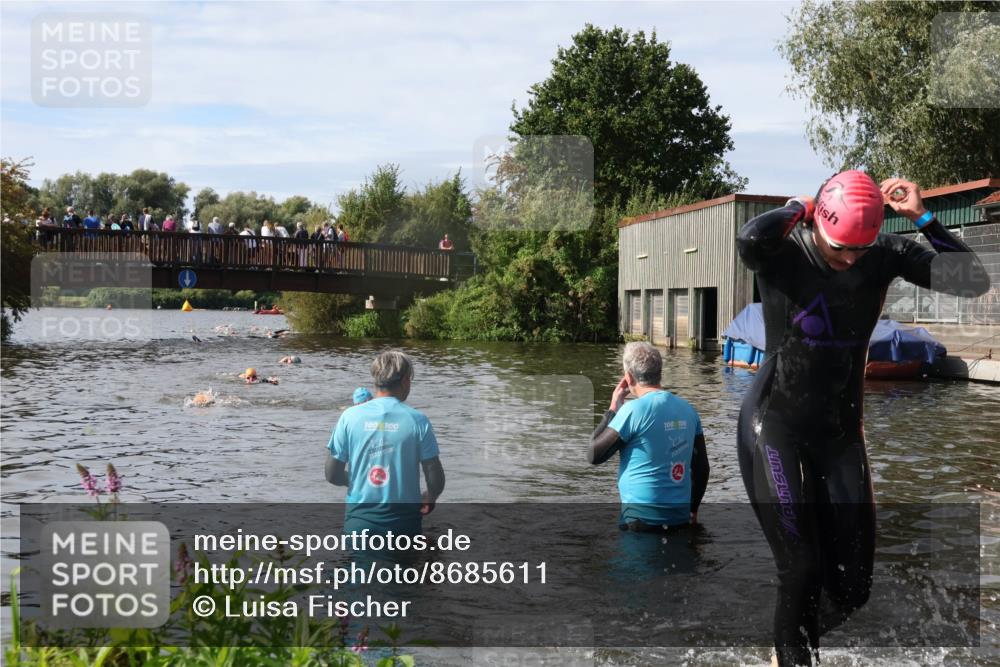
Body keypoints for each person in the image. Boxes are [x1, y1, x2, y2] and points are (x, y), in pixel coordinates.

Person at [734, 171, 990, 667]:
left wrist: (923, 216)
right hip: (775, 424)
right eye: (840, 248)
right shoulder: (784, 252)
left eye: (859, 250)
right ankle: (794, 655)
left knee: (853, 588)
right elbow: (750, 237)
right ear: (818, 226)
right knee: (802, 569)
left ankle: (787, 647)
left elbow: (972, 281)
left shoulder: (886, 254)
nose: (850, 258)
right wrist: (796, 206)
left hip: (840, 435)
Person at [588, 341, 709, 531]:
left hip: (640, 521)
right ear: (659, 373)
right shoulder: (688, 410)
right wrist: (693, 509)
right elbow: (702, 469)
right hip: (680, 519)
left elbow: (593, 454)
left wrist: (612, 408)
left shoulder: (632, 411)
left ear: (628, 377)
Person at [325, 350, 445, 534]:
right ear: (406, 381)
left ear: (376, 380)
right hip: (403, 525)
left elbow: (332, 475)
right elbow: (434, 476)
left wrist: (359, 480)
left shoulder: (349, 417)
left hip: (359, 524)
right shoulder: (418, 420)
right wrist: (431, 496)